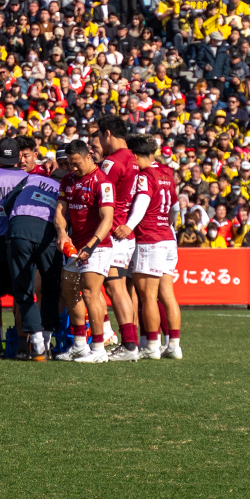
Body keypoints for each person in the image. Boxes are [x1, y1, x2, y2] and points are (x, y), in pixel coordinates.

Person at [0, 136, 62, 360]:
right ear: (18, 158)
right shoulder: (30, 178)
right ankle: (23, 346)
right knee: (23, 291)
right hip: (21, 236)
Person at [54, 140, 116, 363]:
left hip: (97, 246)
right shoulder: (68, 180)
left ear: (88, 157)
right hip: (74, 246)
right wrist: (62, 232)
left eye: (76, 163)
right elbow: (60, 211)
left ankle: (99, 348)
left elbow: (107, 220)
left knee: (90, 292)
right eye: (69, 164)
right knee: (70, 290)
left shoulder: (103, 182)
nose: (73, 168)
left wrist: (90, 246)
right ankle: (80, 345)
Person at [128, 135, 181, 359]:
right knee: (167, 295)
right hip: (168, 238)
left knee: (148, 296)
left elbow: (141, 204)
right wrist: (168, 224)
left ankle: (151, 346)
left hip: (150, 238)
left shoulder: (145, 175)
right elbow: (176, 208)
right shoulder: (167, 174)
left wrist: (128, 226)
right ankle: (174, 346)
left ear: (136, 155)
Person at [94, 115, 141, 358]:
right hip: (125, 232)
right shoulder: (134, 159)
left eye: (100, 136)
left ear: (107, 134)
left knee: (114, 288)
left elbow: (99, 195)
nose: (100, 142)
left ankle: (128, 344)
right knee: (121, 288)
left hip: (113, 232)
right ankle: (129, 341)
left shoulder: (111, 163)